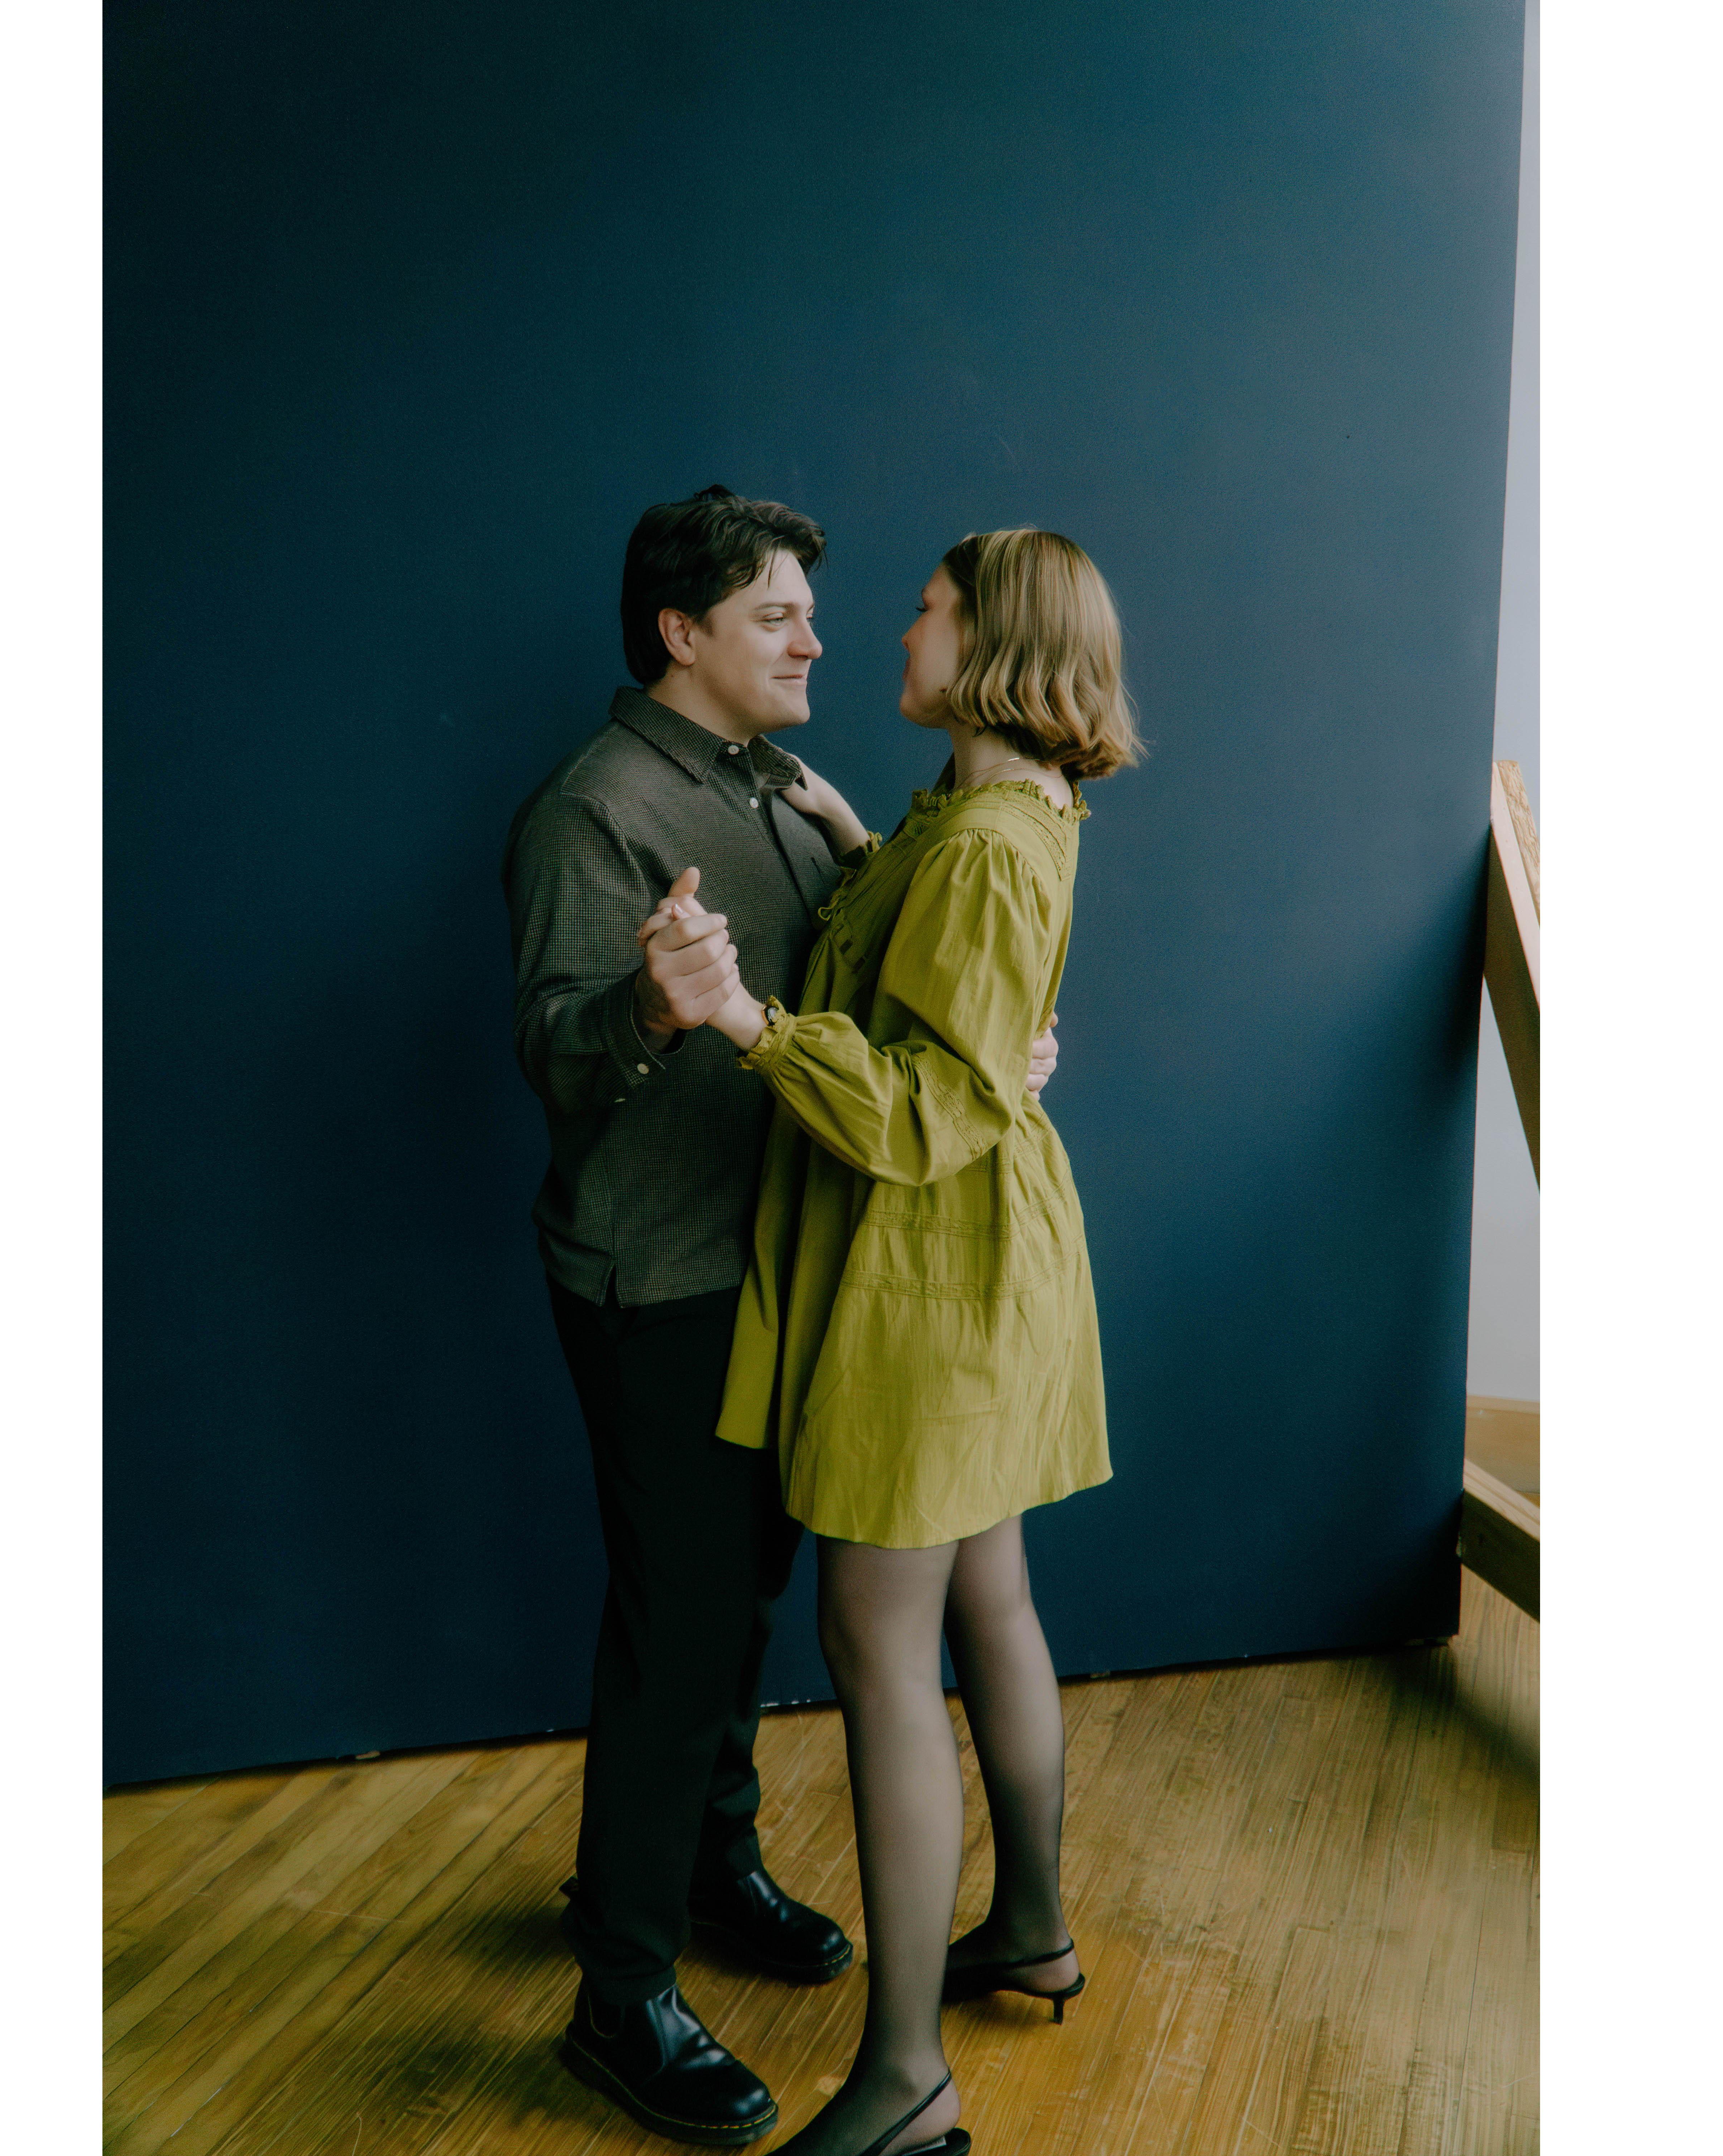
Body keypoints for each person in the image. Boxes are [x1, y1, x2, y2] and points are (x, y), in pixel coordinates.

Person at [501, 488, 1059, 2148]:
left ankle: (711, 1863)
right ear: (683, 635)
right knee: (677, 1639)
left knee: (735, 1611)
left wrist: (1000, 1045)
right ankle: (622, 1993)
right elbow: (557, 1055)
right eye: (776, 617)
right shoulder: (592, 810)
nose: (818, 639)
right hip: (662, 1281)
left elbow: (892, 987)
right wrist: (649, 1007)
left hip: (791, 1276)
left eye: (817, 613)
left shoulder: (777, 792)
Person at [639, 529, 1138, 2156]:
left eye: (927, 612)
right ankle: (1033, 1928)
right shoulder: (997, 808)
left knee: (880, 1650)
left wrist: (745, 1021)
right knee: (990, 1594)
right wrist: (861, 840)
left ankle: (908, 2077)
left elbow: (922, 1109)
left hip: (932, 1265)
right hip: (982, 1253)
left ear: (992, 645)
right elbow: (957, 989)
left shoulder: (987, 844)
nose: (891, 635)